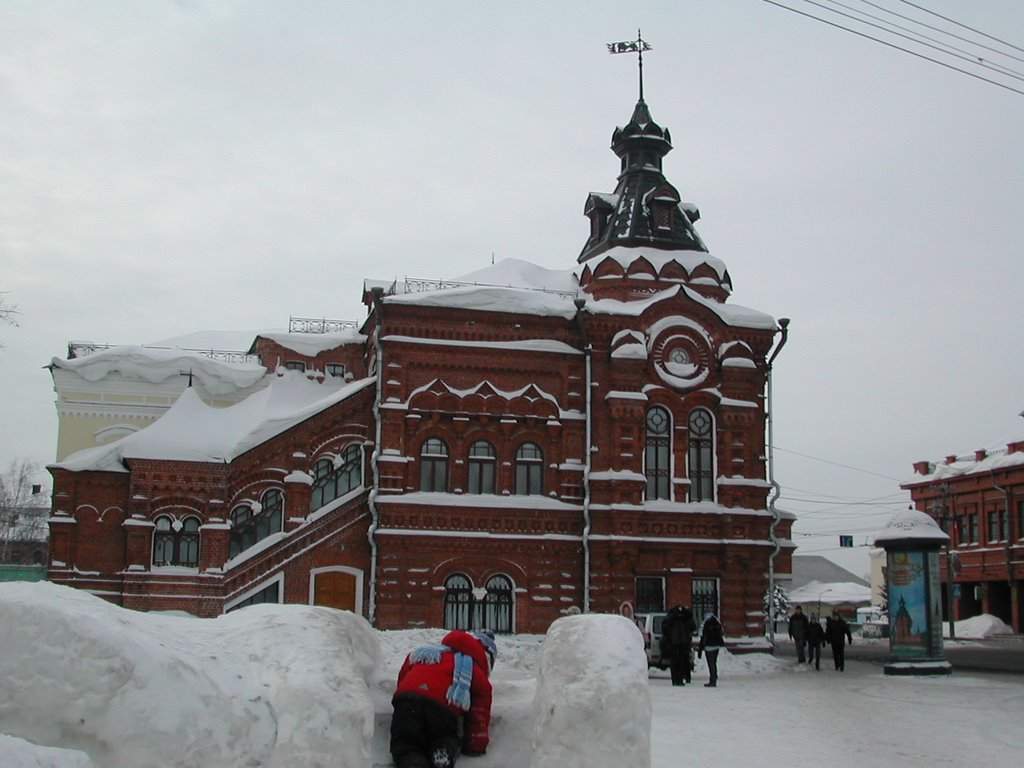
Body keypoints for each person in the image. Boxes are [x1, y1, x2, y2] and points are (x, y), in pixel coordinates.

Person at [390, 629, 496, 768]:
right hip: (441, 709)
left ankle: (412, 761)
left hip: (407, 702)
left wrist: (405, 697)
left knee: (406, 744)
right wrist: (475, 745)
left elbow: (405, 670)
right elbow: (480, 706)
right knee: (444, 737)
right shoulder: (472, 666)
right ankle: (442, 752)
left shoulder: (428, 652)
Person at [659, 605, 697, 686]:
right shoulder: (674, 619)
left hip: (679, 642)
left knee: (680, 662)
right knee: (677, 662)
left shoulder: (682, 618)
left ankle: (678, 679)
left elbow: (692, 625)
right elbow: (665, 628)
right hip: (677, 642)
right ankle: (677, 680)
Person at [697, 611, 724, 687]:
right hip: (716, 646)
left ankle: (713, 680)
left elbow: (703, 636)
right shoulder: (717, 623)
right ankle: (714, 677)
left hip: (709, 647)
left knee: (711, 663)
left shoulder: (705, 624)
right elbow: (721, 633)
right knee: (714, 663)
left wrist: (700, 649)